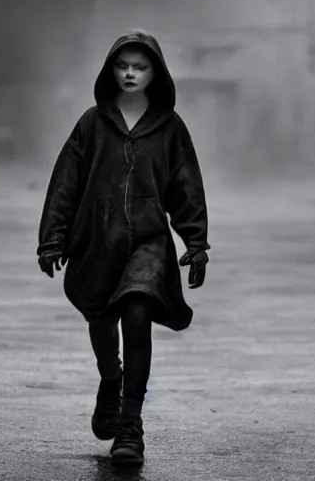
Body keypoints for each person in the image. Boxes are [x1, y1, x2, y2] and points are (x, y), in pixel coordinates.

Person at [37, 30, 210, 467]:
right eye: (123, 65)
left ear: (157, 73)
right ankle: (110, 377)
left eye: (140, 66)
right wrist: (51, 239)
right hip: (96, 239)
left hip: (149, 241)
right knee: (101, 315)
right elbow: (65, 185)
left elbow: (186, 187)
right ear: (111, 70)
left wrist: (196, 242)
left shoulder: (171, 128)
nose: (130, 73)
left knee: (137, 314)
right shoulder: (91, 124)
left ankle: (130, 425)